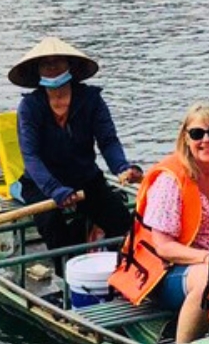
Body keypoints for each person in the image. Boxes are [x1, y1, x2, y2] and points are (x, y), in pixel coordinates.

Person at [111, 103, 209, 344]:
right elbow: (164, 247)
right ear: (186, 139)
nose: (207, 140)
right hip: (166, 271)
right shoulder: (170, 181)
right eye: (197, 134)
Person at [9, 37, 141, 252]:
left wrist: (122, 168)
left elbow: (108, 141)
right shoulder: (30, 107)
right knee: (52, 225)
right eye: (45, 63)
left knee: (123, 224)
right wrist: (54, 189)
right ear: (38, 70)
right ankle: (65, 267)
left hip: (85, 178)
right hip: (42, 184)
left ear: (69, 65)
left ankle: (121, 265)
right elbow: (30, 155)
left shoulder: (91, 99)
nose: (52, 67)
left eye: (58, 61)